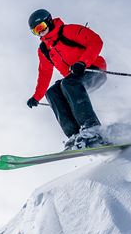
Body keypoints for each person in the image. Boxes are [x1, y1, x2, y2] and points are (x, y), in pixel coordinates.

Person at [26, 8, 108, 150]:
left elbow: (95, 41)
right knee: (52, 92)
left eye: (41, 27)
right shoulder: (44, 49)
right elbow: (44, 73)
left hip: (93, 70)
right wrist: (37, 96)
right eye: (35, 31)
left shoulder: (68, 31)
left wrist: (82, 62)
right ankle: (75, 135)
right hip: (72, 80)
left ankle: (92, 129)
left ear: (49, 22)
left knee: (69, 83)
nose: (40, 32)